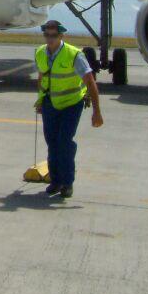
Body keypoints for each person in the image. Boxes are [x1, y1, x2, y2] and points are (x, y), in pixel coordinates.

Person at [33, 19, 102, 199]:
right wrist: (40, 100)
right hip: (50, 103)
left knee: (64, 141)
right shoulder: (40, 52)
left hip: (72, 103)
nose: (50, 38)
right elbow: (42, 78)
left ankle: (68, 183)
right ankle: (55, 181)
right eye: (47, 35)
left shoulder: (74, 54)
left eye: (53, 35)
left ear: (61, 35)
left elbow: (90, 81)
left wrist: (97, 111)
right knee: (52, 142)